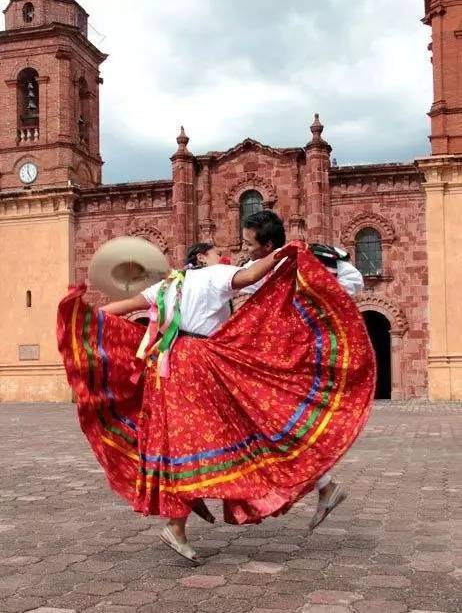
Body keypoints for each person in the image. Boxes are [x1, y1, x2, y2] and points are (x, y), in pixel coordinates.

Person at [57, 237, 375, 564]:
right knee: (253, 421)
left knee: (183, 443)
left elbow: (111, 311)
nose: (220, 256)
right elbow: (250, 278)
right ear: (203, 258)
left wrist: (77, 315)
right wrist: (283, 251)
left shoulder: (167, 286)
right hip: (202, 364)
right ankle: (319, 483)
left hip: (165, 368)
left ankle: (181, 523)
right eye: (214, 252)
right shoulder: (213, 275)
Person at [239, 210, 364, 531]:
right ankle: (324, 486)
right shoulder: (257, 271)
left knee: (281, 422)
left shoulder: (309, 260)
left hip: (302, 358)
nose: (246, 248)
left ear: (267, 245)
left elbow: (354, 280)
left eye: (250, 243)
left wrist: (313, 301)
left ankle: (316, 487)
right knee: (277, 424)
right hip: (275, 359)